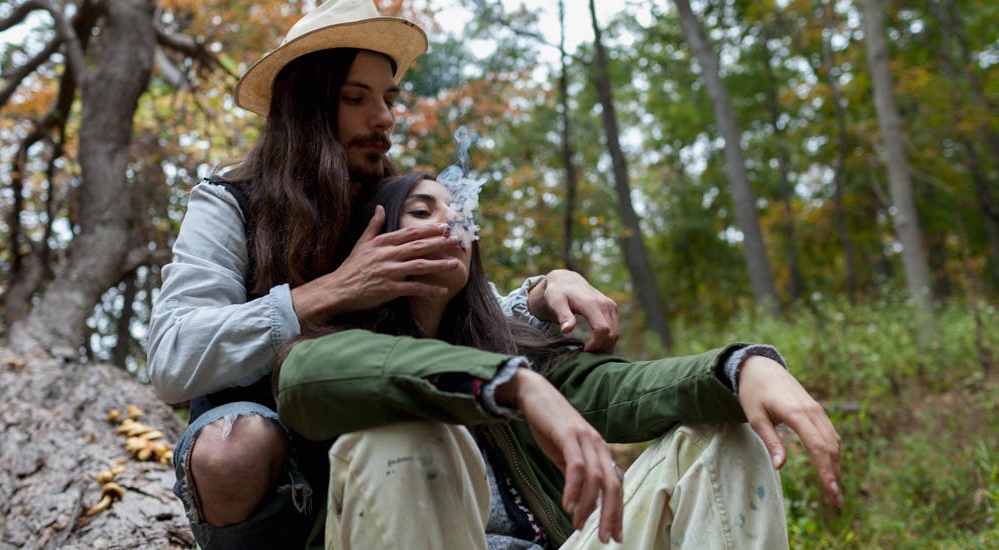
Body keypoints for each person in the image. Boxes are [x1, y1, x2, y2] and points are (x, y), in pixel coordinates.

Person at [147, 0, 622, 548]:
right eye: (356, 98)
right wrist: (335, 290)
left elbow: (467, 309)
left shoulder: (390, 195)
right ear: (305, 107)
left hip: (375, 443)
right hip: (276, 468)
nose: (385, 118)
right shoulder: (229, 201)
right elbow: (172, 358)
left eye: (389, 100)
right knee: (233, 446)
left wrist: (543, 290)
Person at [273, 172, 844, 548]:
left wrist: (740, 368)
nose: (450, 223)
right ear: (372, 238)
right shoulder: (328, 350)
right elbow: (304, 379)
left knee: (719, 438)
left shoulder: (513, 346)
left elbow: (627, 390)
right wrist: (510, 386)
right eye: (421, 211)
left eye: (458, 211)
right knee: (404, 437)